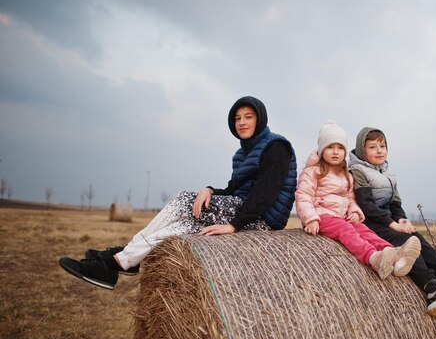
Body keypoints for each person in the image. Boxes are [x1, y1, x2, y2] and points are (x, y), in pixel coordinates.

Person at [59, 96, 297, 290]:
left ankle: (119, 258)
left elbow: (266, 192)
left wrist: (234, 225)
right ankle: (124, 259)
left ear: (260, 119)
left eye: (248, 117)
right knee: (183, 228)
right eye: (237, 118)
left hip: (261, 220)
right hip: (241, 209)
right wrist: (210, 190)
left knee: (185, 200)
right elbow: (234, 189)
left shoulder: (276, 147)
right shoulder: (241, 154)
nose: (241, 122)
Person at [348, 127, 436, 317]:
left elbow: (395, 203)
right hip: (370, 223)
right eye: (373, 147)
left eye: (382, 146)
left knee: (419, 240)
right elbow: (366, 205)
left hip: (389, 220)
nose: (379, 151)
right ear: (361, 150)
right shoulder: (357, 170)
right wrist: (394, 225)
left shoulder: (388, 174)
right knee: (407, 244)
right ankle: (431, 288)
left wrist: (401, 218)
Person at [295, 122, 422, 280]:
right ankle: (372, 258)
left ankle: (393, 254)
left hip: (342, 216)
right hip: (322, 216)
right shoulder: (312, 172)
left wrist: (354, 211)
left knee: (364, 230)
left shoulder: (346, 174)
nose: (336, 152)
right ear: (321, 150)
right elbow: (303, 196)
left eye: (340, 148)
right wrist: (310, 219)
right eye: (330, 147)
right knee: (346, 230)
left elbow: (350, 198)